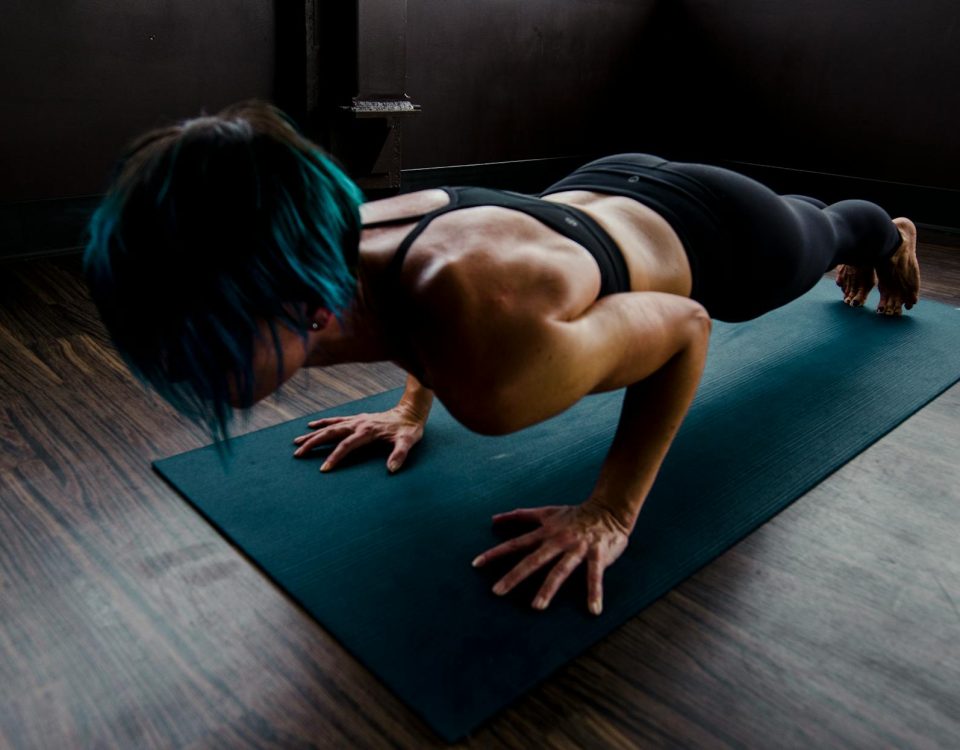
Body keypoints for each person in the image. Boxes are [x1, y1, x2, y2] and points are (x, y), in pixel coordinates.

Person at [82, 100, 920, 616]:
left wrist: (611, 511)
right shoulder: (341, 251)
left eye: (203, 347)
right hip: (600, 187)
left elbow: (686, 327)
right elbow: (421, 304)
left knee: (834, 228)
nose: (180, 372)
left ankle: (893, 233)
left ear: (306, 307)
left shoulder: (491, 372)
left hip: (729, 240)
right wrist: (411, 406)